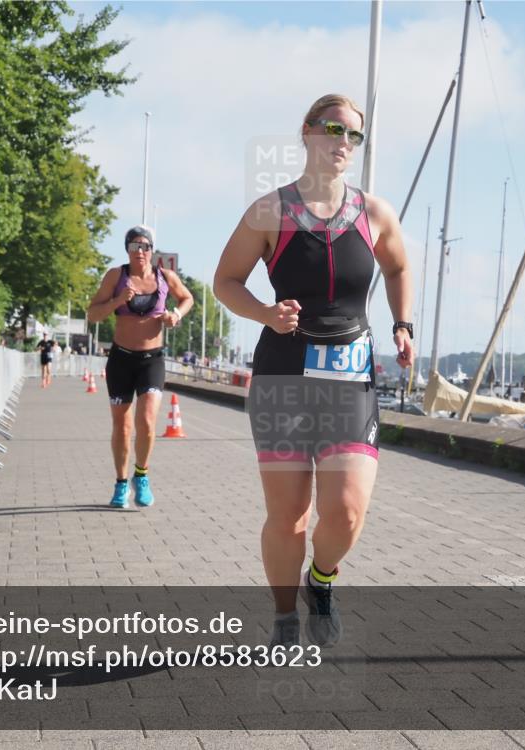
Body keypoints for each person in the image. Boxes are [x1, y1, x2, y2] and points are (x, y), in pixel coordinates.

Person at [213, 94, 413, 648]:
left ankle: (320, 581)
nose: (343, 142)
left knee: (347, 512)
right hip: (283, 380)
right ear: (306, 133)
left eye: (353, 135)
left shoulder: (375, 214)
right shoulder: (269, 211)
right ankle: (283, 618)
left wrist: (403, 324)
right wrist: (265, 314)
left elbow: (397, 266)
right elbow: (225, 281)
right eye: (333, 129)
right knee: (288, 516)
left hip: (350, 383)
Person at [87, 225, 194, 508]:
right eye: (135, 246)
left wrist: (176, 315)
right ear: (127, 250)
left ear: (152, 250)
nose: (141, 252)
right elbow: (93, 313)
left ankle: (141, 475)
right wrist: (118, 301)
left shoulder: (164, 277)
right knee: (122, 427)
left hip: (152, 360)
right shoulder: (116, 276)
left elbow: (187, 298)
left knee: (147, 422)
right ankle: (121, 483)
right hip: (121, 359)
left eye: (145, 246)